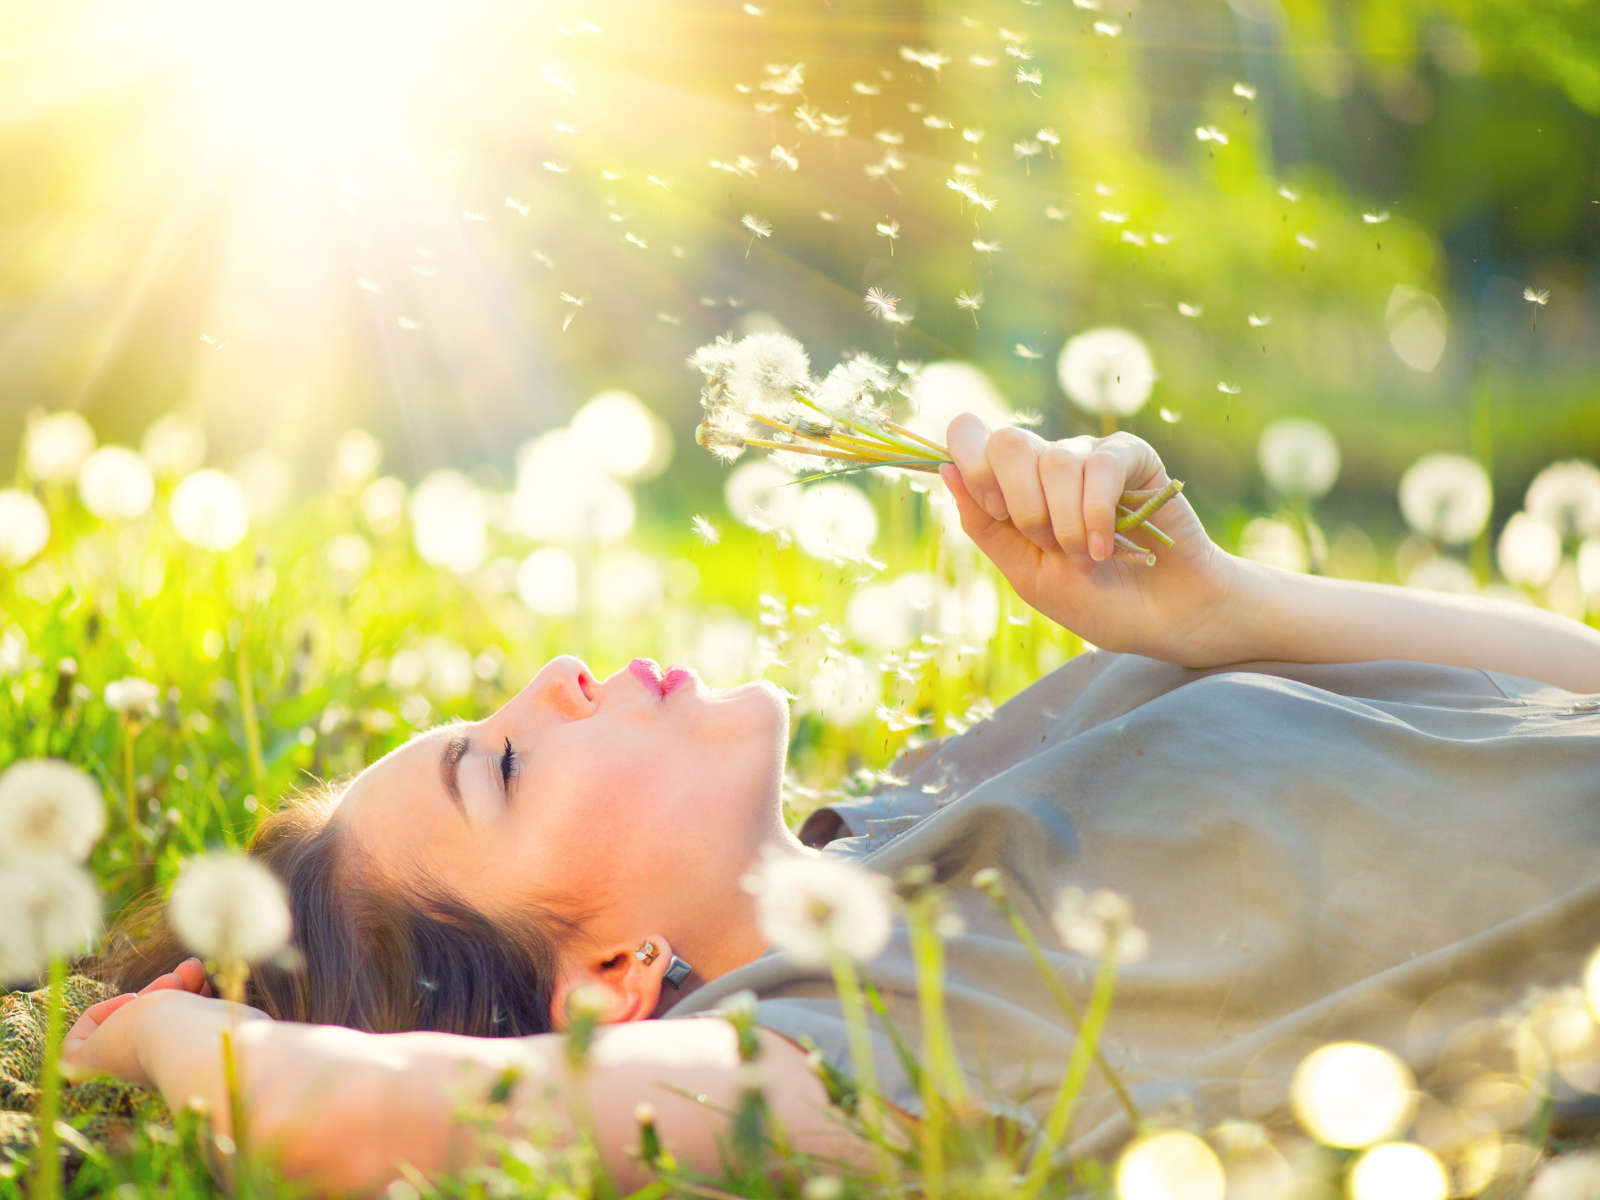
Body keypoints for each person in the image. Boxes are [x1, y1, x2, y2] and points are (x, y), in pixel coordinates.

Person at [64, 414, 1600, 1197]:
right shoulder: (840, 1042)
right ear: (608, 984)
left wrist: (1215, 613)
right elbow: (365, 1119)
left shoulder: (915, 813)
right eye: (506, 767)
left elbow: (1570, 696)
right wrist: (165, 1041)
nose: (551, 678)